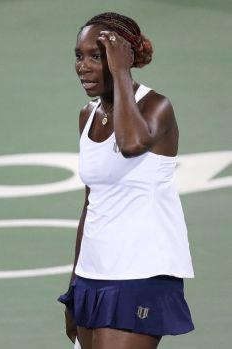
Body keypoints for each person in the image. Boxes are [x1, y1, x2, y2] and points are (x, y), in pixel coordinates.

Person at [58, 12, 195, 349]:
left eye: (98, 56)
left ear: (123, 59)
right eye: (79, 56)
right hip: (94, 275)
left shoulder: (156, 106)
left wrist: (121, 73)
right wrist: (75, 283)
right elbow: (92, 203)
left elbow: (132, 143)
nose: (84, 66)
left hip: (141, 272)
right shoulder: (87, 116)